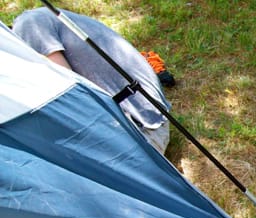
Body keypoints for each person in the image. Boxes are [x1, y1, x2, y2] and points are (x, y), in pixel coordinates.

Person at [12, 7, 173, 154]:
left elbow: (67, 90)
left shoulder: (28, 25)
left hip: (141, 132)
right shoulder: (39, 18)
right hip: (150, 115)